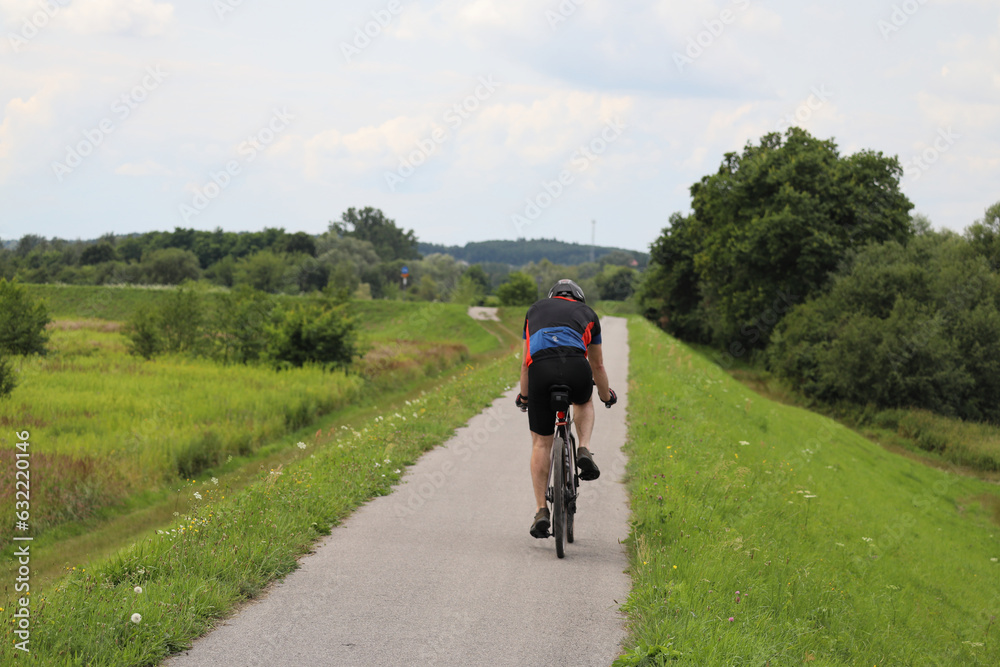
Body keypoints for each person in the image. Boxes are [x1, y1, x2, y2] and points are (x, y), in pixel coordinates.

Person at [515, 279, 617, 538]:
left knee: (541, 443)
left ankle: (541, 511)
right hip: (575, 366)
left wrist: (525, 398)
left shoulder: (535, 310)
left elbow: (526, 364)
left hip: (541, 370)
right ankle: (583, 447)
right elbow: (598, 366)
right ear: (578, 299)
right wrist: (606, 395)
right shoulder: (589, 314)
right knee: (584, 401)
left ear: (552, 297)